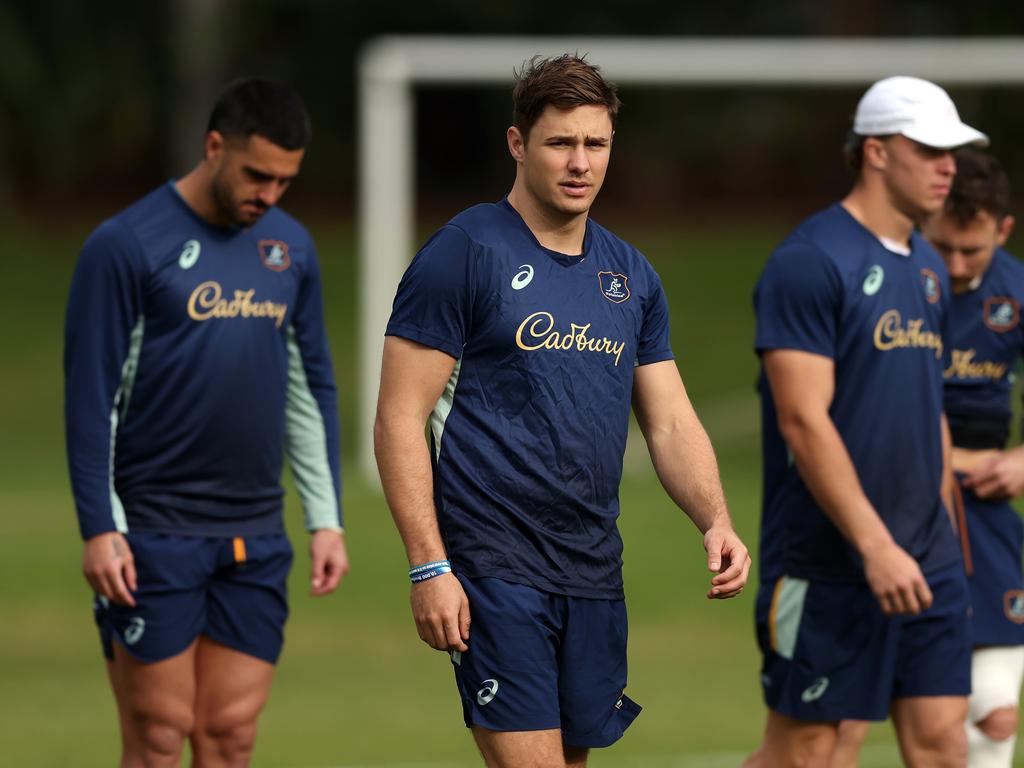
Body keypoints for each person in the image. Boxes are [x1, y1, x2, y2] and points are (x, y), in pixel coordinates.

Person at [374, 54, 750, 768]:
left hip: (591, 570)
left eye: (595, 144)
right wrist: (429, 567)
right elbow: (399, 417)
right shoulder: (463, 253)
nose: (581, 162)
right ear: (518, 145)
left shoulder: (631, 275)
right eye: (560, 143)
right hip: (492, 566)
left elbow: (669, 421)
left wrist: (716, 519)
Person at [64, 78, 348, 767]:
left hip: (253, 536)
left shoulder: (290, 250)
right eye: (257, 175)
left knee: (229, 738)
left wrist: (325, 517)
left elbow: (310, 389)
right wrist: (100, 529)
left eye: (285, 181)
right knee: (159, 738)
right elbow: (90, 396)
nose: (270, 195)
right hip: (152, 534)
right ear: (214, 146)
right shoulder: (125, 245)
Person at [745, 75, 987, 768]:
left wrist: (941, 534)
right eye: (931, 149)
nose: (949, 166)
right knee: (811, 752)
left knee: (945, 742)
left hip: (929, 559)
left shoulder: (931, 273)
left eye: (954, 152)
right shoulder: (809, 261)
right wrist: (876, 545)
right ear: (877, 152)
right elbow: (801, 420)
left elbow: (928, 410)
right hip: (830, 562)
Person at [921, 147, 1024, 768]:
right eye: (945, 247)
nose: (957, 267)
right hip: (891, 505)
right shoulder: (892, 281)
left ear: (1003, 231)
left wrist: (1020, 462)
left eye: (973, 250)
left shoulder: (1016, 291)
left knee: (995, 711)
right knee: (826, 730)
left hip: (984, 516)